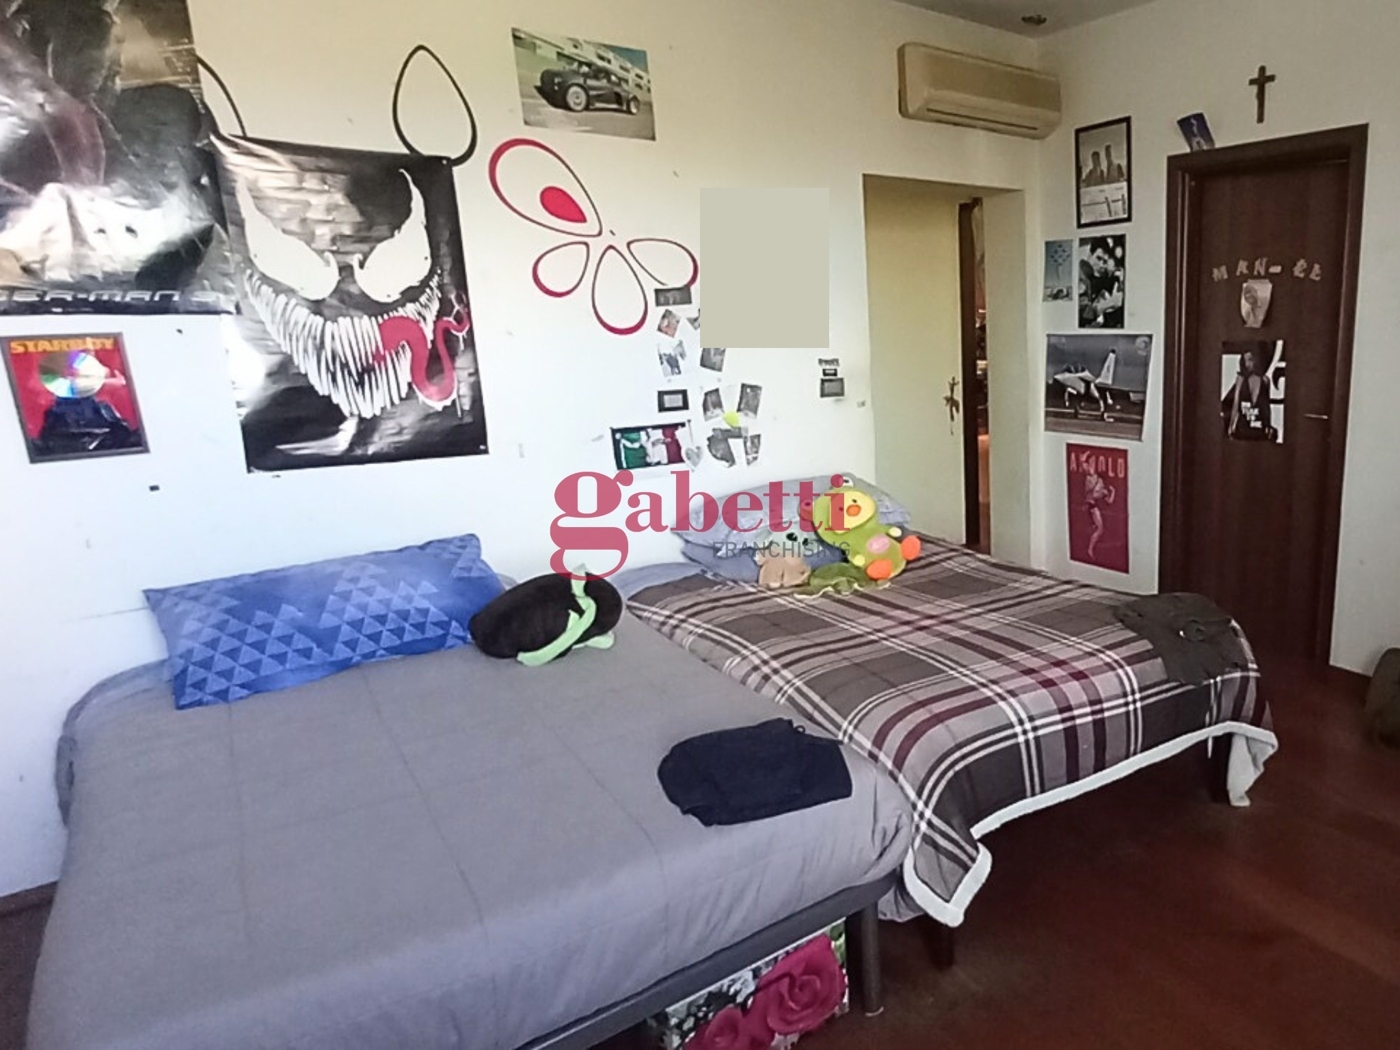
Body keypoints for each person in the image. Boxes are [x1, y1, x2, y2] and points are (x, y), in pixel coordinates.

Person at [1221, 348, 1277, 442]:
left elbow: (1266, 407)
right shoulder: (1240, 380)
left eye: (1250, 360)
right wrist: (1231, 427)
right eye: (1245, 360)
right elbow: (1236, 405)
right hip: (1243, 427)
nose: (1248, 364)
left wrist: (1268, 425)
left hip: (1259, 428)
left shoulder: (1264, 380)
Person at [1079, 239, 1124, 328]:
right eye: (1098, 258)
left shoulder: (1093, 278)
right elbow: (1082, 313)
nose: (1101, 265)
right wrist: (1109, 303)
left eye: (1104, 262)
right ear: (1089, 255)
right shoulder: (1080, 275)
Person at [1083, 462, 1117, 561]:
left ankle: (1090, 545)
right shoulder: (1093, 481)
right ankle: (1090, 549)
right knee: (1099, 529)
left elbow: (1109, 501)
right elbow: (1087, 471)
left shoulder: (1103, 490)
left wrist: (1113, 492)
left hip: (1094, 506)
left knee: (1098, 529)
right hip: (1092, 506)